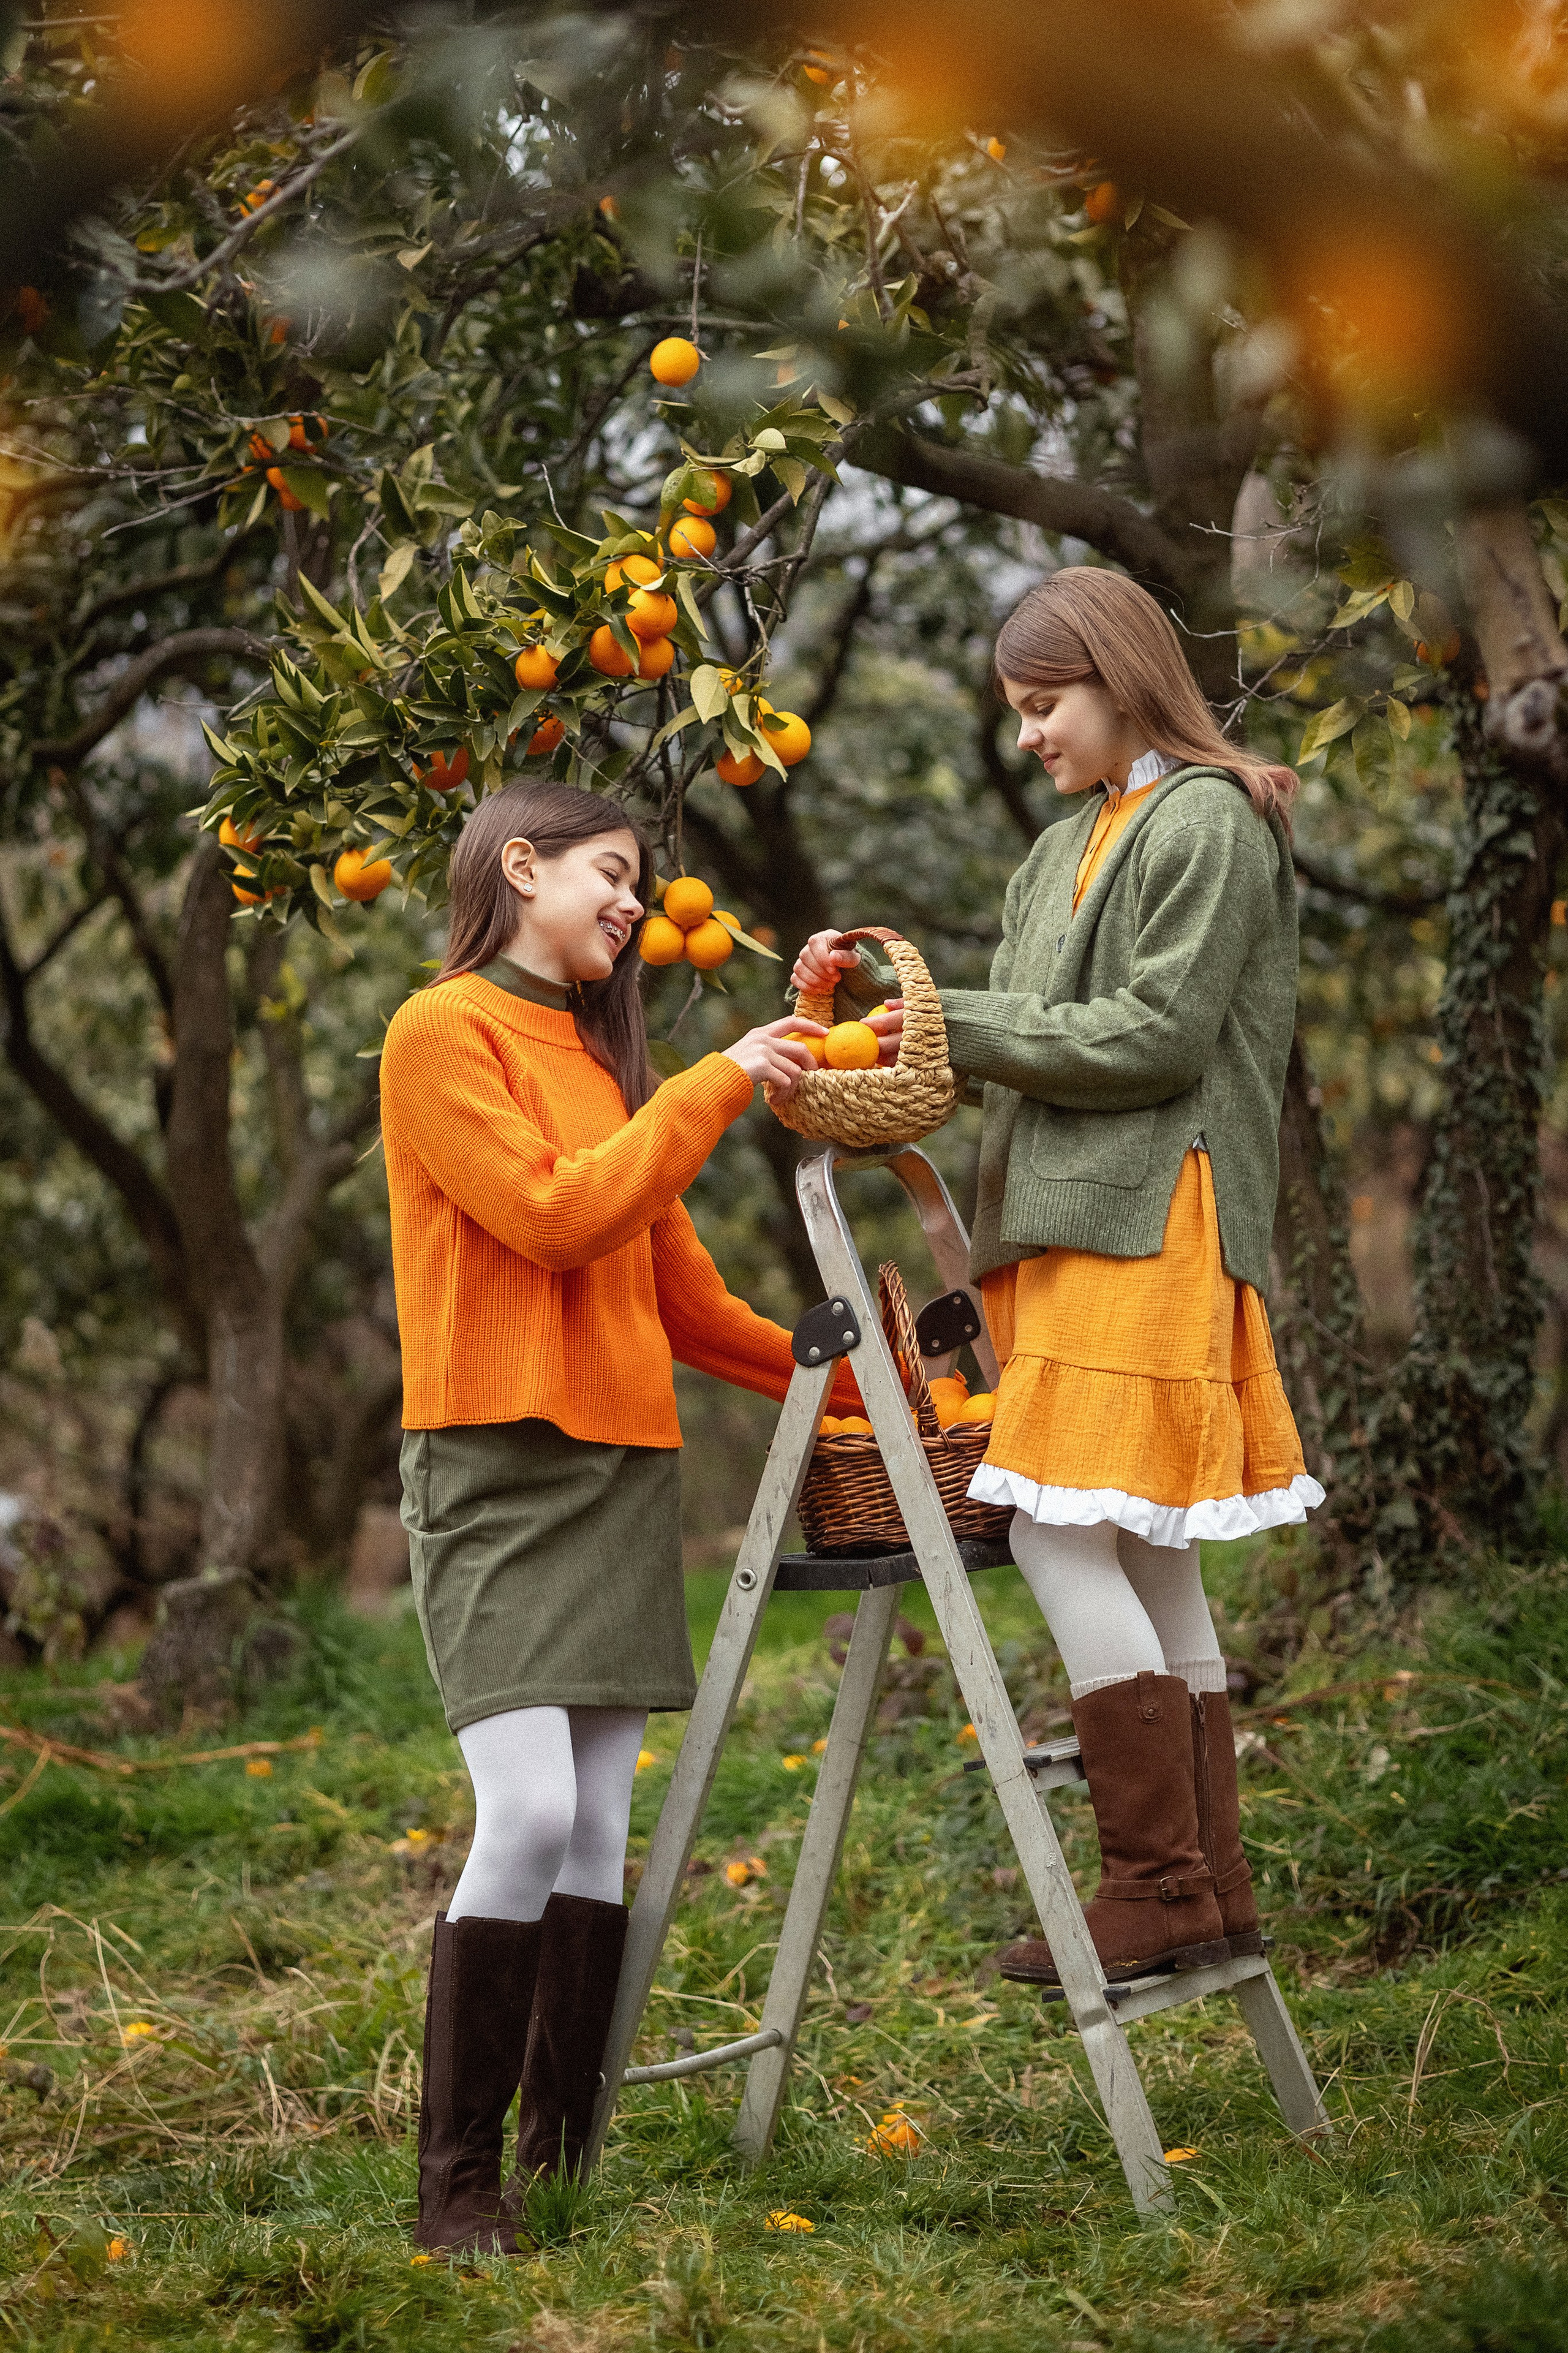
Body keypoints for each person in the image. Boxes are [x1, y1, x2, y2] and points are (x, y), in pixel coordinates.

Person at [792, 567, 1322, 1988]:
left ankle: (1151, 1886)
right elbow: (1030, 1046)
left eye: (1045, 705)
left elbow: (1149, 1037)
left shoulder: (1205, 822)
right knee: (1143, 1544)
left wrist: (944, 1019)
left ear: (1122, 676)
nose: (1028, 734)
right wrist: (867, 1036)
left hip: (1151, 1220)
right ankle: (1204, 1893)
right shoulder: (1058, 852)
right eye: (1017, 713)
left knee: (1053, 1532)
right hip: (1067, 1224)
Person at [380, 780, 876, 2253]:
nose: (630, 904)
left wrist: (844, 1396)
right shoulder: (438, 1031)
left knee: (598, 1821)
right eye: (611, 873)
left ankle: (559, 2162)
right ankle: (454, 2191)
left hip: (616, 1468)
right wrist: (714, 1082)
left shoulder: (601, 1067)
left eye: (637, 883)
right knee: (527, 1806)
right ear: (517, 865)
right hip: (493, 1465)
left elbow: (676, 1294)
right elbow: (550, 1216)